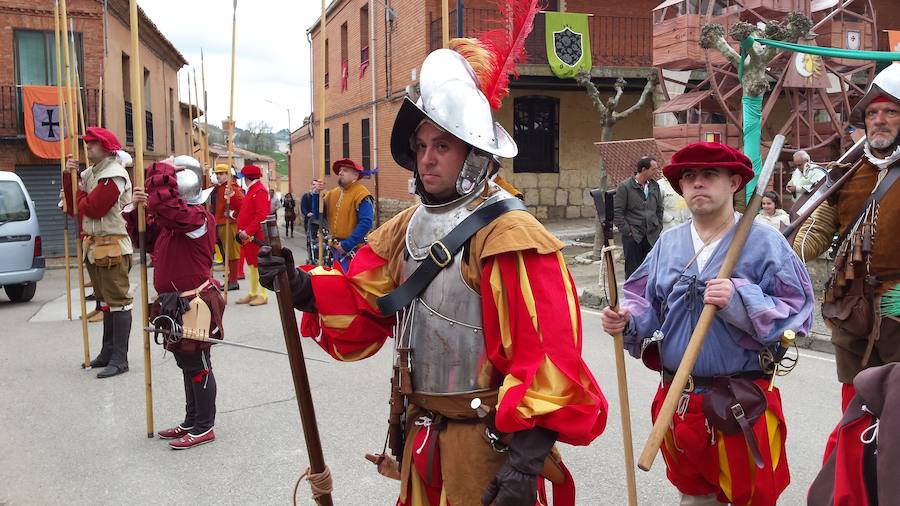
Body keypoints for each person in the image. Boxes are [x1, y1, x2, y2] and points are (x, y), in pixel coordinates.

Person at [258, 44, 607, 506]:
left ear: (477, 154)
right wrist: (299, 285)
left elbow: (547, 357)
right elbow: (366, 296)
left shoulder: (511, 234)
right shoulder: (408, 225)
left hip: (487, 445)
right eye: (421, 146)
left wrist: (523, 465)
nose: (426, 159)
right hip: (421, 431)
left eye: (442, 146)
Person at [601, 142, 815, 506]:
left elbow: (798, 311)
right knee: (693, 496)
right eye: (689, 176)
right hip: (678, 399)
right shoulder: (668, 243)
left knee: (749, 498)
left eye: (709, 175)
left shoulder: (765, 243)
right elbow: (642, 299)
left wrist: (741, 299)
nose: (697, 183)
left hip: (738, 402)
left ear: (734, 183)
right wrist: (626, 319)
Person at [793, 63, 900, 413]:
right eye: (872, 113)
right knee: (855, 411)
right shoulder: (846, 171)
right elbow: (815, 230)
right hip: (851, 307)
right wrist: (782, 254)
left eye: (890, 112)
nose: (879, 120)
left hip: (899, 315)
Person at [128, 160, 222, 449]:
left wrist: (162, 169)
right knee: (185, 362)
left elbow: (167, 210)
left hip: (194, 302)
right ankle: (191, 420)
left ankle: (204, 426)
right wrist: (137, 210)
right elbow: (141, 239)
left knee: (198, 363)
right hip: (173, 303)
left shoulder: (197, 218)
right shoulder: (174, 222)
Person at [63, 127, 134, 379]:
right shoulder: (92, 173)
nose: (88, 147)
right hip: (95, 246)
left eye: (92, 144)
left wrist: (81, 191)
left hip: (112, 246)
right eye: (87, 143)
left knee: (118, 302)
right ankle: (107, 352)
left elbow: (94, 209)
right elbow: (74, 208)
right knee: (104, 303)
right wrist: (69, 176)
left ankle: (120, 358)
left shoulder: (114, 174)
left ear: (105, 147)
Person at [315, 158, 374, 270]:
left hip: (353, 249)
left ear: (355, 175)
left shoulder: (361, 193)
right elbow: (318, 215)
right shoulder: (333, 194)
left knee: (351, 284)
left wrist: (347, 244)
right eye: (340, 170)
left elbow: (366, 222)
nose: (340, 173)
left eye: (345, 170)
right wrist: (316, 194)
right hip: (334, 249)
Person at [614, 155, 664, 277]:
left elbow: (659, 208)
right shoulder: (625, 187)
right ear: (643, 169)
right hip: (634, 236)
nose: (656, 172)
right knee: (633, 271)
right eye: (653, 169)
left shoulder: (654, 186)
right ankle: (632, 296)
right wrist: (627, 231)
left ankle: (648, 296)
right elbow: (617, 212)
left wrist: (658, 225)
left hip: (651, 235)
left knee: (651, 271)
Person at [235, 165, 270, 306]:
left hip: (255, 235)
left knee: (258, 265)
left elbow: (261, 215)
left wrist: (248, 231)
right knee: (251, 264)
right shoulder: (252, 190)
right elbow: (247, 210)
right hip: (248, 235)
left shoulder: (259, 190)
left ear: (247, 178)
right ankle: (253, 292)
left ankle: (263, 294)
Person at [208, 164, 244, 291]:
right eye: (217, 173)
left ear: (228, 175)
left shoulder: (231, 187)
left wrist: (232, 214)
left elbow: (242, 205)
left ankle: (233, 281)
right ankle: (231, 279)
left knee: (232, 253)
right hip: (223, 223)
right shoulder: (221, 187)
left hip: (230, 223)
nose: (218, 176)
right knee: (228, 253)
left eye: (221, 174)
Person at [300, 179, 324, 264]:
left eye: (317, 185)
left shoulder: (322, 196)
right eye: (314, 184)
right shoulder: (306, 196)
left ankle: (319, 255)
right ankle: (311, 255)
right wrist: (307, 213)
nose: (315, 186)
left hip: (320, 221)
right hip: (310, 221)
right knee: (310, 238)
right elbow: (303, 208)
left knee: (321, 238)